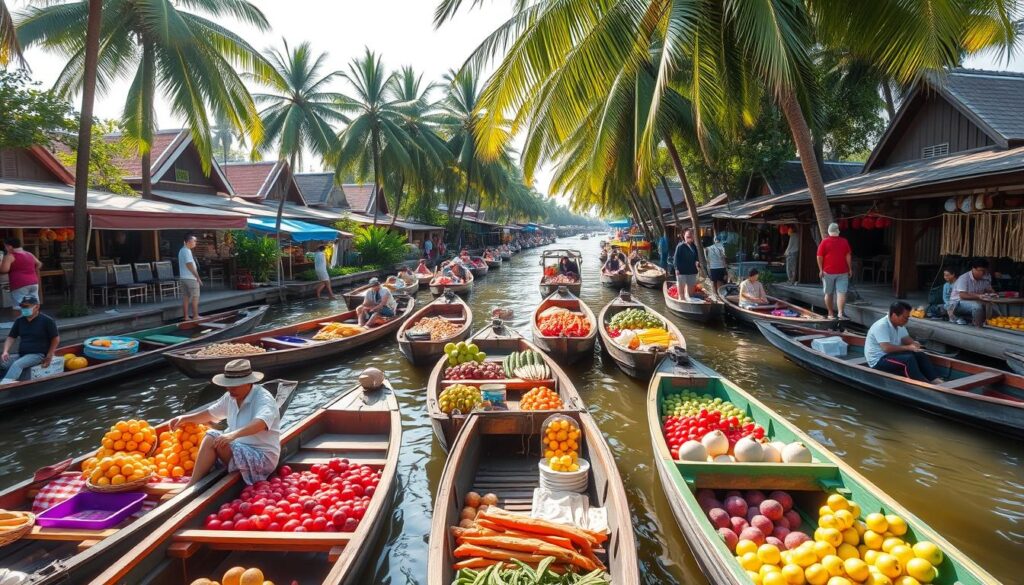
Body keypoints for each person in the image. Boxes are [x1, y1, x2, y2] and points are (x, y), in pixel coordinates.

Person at [169, 359, 281, 486]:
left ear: (249, 383)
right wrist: (185, 418)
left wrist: (232, 435)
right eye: (228, 385)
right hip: (239, 449)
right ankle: (200, 480)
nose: (230, 389)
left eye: (235, 385)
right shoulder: (231, 396)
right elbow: (210, 413)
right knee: (211, 438)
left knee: (212, 436)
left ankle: (191, 486)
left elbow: (260, 423)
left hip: (262, 459)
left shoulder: (263, 399)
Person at [865, 301, 944, 384]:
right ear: (895, 315)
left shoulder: (899, 325)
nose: (906, 321)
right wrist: (908, 347)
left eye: (907, 318)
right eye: (905, 318)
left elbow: (906, 339)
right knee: (908, 359)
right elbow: (886, 348)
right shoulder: (881, 326)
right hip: (878, 360)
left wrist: (915, 344)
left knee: (919, 354)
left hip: (892, 355)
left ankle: (935, 379)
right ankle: (922, 383)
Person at [1, 295, 59, 385]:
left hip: (38, 354)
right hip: (22, 354)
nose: (23, 309)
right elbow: (11, 337)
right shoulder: (19, 320)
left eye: (26, 306)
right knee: (3, 363)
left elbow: (55, 338)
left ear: (37, 306)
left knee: (17, 364)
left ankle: (4, 386)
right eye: (22, 306)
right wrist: (5, 351)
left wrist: (50, 354)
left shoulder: (47, 320)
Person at [816, 222, 852, 320]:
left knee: (828, 293)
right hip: (842, 271)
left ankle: (830, 313)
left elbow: (819, 256)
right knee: (842, 292)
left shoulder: (824, 242)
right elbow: (848, 256)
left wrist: (820, 270)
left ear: (829, 232)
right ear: (838, 231)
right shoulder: (844, 241)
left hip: (827, 272)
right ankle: (840, 313)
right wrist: (850, 269)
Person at [1, 238, 42, 319]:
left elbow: (4, 270)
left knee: (18, 307)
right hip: (33, 282)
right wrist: (32, 271)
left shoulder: (10, 256)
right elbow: (39, 264)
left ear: (10, 247)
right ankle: (33, 323)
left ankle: (19, 325)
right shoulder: (29, 254)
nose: (5, 248)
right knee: (33, 304)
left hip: (19, 284)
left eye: (5, 246)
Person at [950, 258, 997, 326]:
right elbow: (962, 295)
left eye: (985, 271)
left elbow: (988, 289)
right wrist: (978, 296)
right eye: (981, 270)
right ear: (973, 269)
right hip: (958, 303)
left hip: (976, 300)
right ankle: (978, 326)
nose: (983, 273)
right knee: (977, 306)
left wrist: (992, 293)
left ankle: (990, 324)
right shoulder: (964, 278)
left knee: (993, 306)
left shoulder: (986, 276)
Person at [178, 234, 202, 320]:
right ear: (189, 242)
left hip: (183, 278)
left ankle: (186, 316)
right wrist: (198, 277)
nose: (195, 243)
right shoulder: (187, 251)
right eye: (194, 241)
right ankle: (195, 316)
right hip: (190, 278)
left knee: (186, 297)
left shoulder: (181, 250)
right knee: (195, 297)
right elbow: (189, 265)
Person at [673, 228, 700, 302]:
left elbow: (696, 258)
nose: (689, 237)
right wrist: (676, 269)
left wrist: (697, 263)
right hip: (682, 271)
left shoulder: (694, 246)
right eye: (687, 235)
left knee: (690, 294)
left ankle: (690, 303)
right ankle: (681, 301)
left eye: (691, 235)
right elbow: (675, 258)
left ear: (693, 236)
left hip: (692, 271)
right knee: (681, 295)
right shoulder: (680, 246)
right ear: (684, 236)